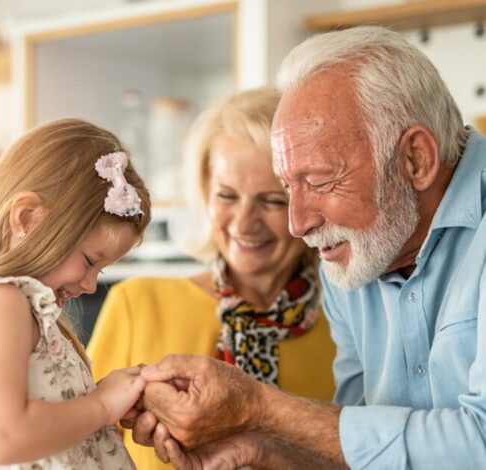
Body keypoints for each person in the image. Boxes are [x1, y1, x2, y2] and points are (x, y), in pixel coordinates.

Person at [127, 25, 486, 469]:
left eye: (319, 181)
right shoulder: (351, 261)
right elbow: (363, 454)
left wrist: (259, 408)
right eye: (288, 188)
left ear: (416, 159)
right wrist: (260, 450)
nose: (298, 224)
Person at [87, 87, 336, 470]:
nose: (244, 222)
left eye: (271, 200)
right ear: (205, 193)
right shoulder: (137, 304)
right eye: (227, 196)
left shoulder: (346, 326)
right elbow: (76, 453)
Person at [0, 118, 152, 469]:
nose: (91, 285)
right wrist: (102, 406)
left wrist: (100, 401)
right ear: (27, 219)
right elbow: (4, 437)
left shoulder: (21, 308)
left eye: (101, 270)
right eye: (89, 260)